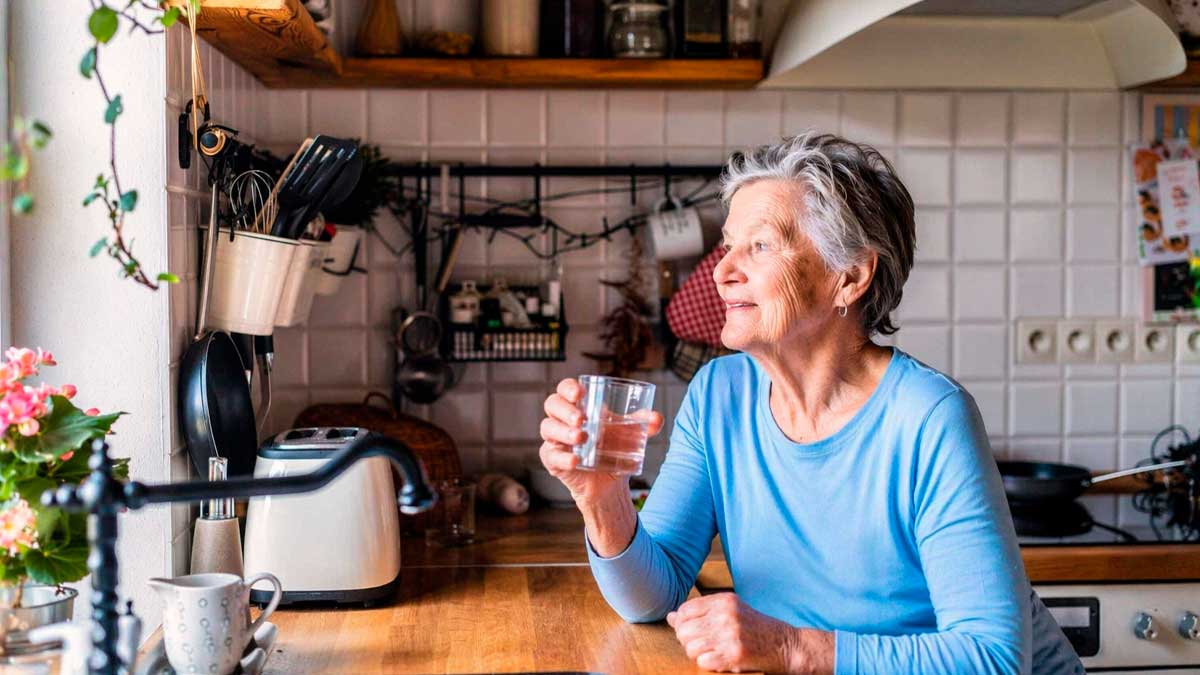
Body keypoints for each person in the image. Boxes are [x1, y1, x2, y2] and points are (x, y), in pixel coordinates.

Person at [538, 133, 1083, 674]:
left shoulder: (929, 418)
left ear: (849, 277)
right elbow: (652, 596)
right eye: (729, 245)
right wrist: (603, 499)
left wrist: (791, 648)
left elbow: (993, 660)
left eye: (762, 245)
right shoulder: (718, 395)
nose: (722, 271)